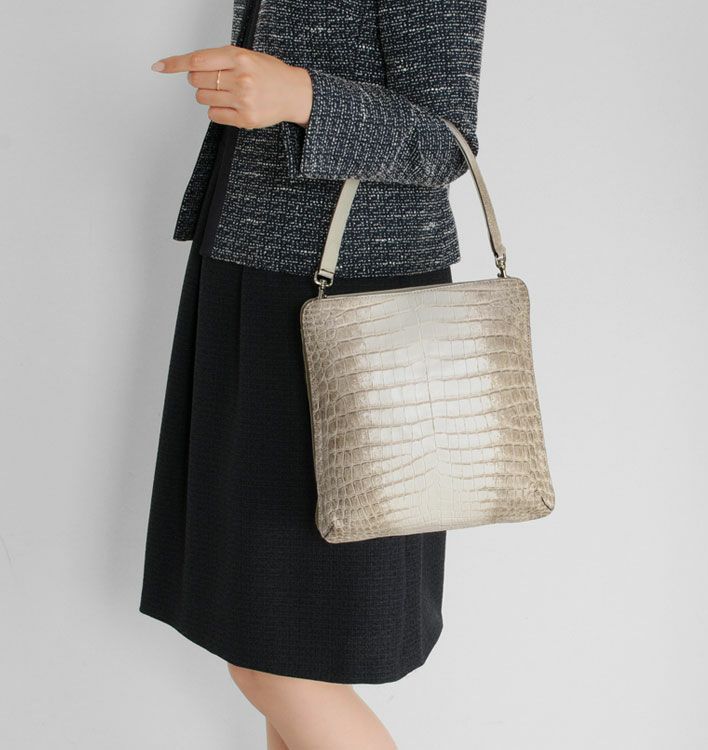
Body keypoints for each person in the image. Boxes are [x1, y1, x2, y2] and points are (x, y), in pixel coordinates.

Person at [139, 1, 487, 747]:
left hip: (352, 309)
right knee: (280, 649)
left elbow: (445, 142)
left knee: (276, 661)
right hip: (248, 279)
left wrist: (301, 95)